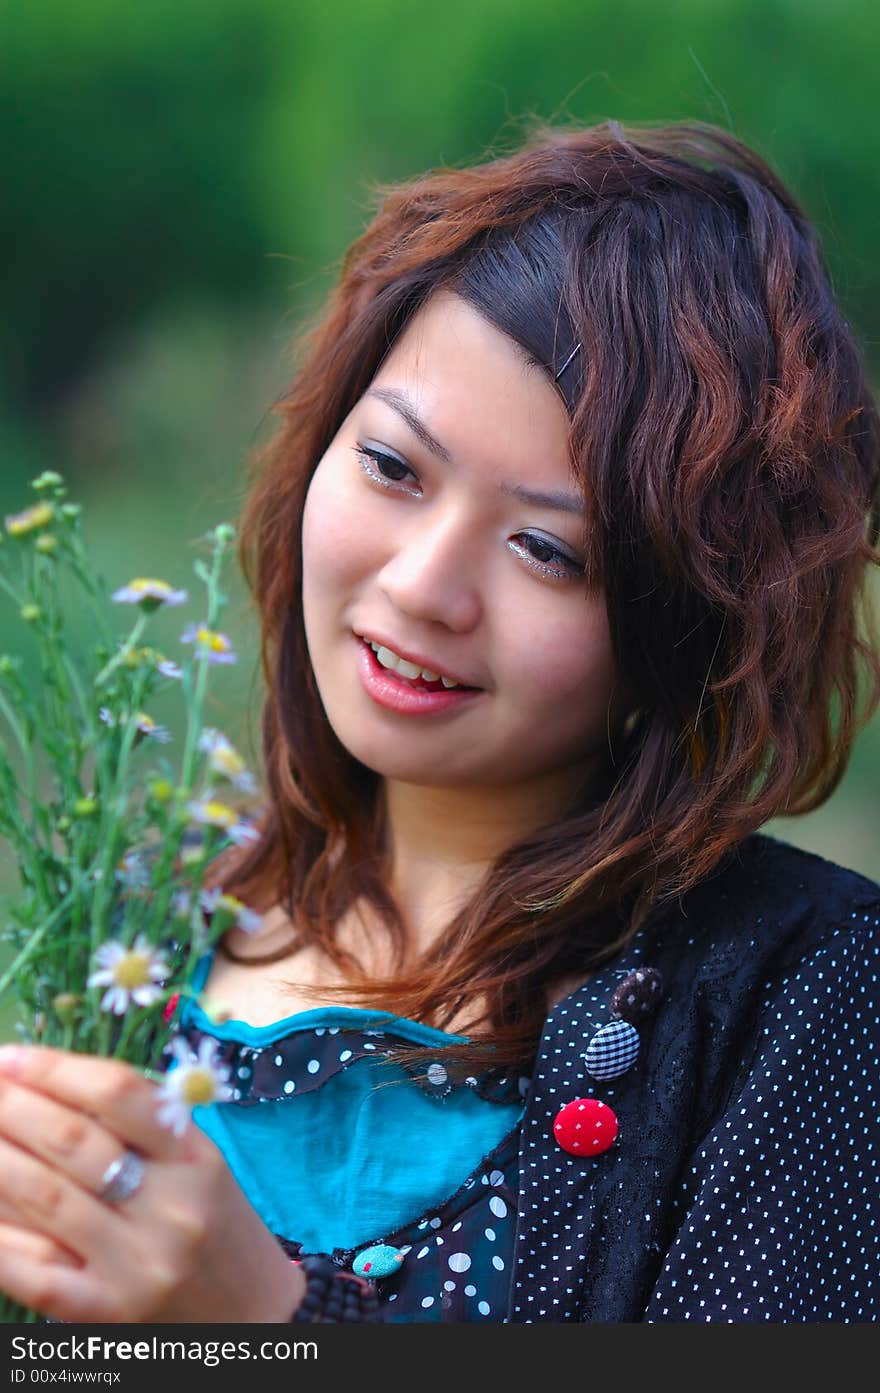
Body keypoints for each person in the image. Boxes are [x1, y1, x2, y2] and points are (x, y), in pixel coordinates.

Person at [0, 117, 878, 1325]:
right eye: (395, 469)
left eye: (545, 548)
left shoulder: (802, 994)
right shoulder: (129, 915)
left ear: (684, 625)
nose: (421, 584)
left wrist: (268, 1324)